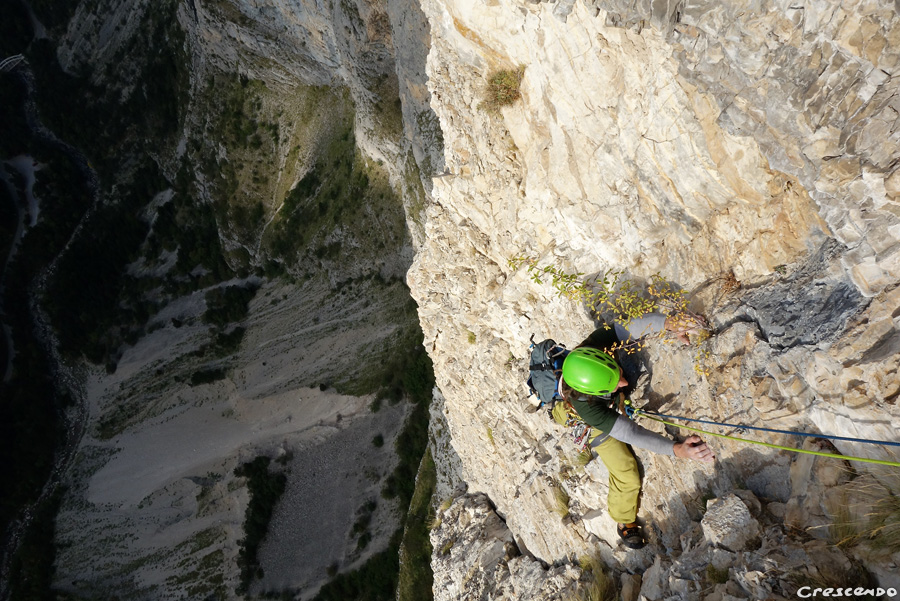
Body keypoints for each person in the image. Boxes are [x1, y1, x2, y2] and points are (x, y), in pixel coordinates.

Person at [558, 313, 715, 549]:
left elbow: (624, 328)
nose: (622, 383)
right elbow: (630, 433)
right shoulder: (589, 410)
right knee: (626, 473)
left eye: (617, 376)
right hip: (586, 421)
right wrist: (677, 450)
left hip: (596, 396)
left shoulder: (593, 350)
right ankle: (623, 519)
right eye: (615, 383)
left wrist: (670, 323)